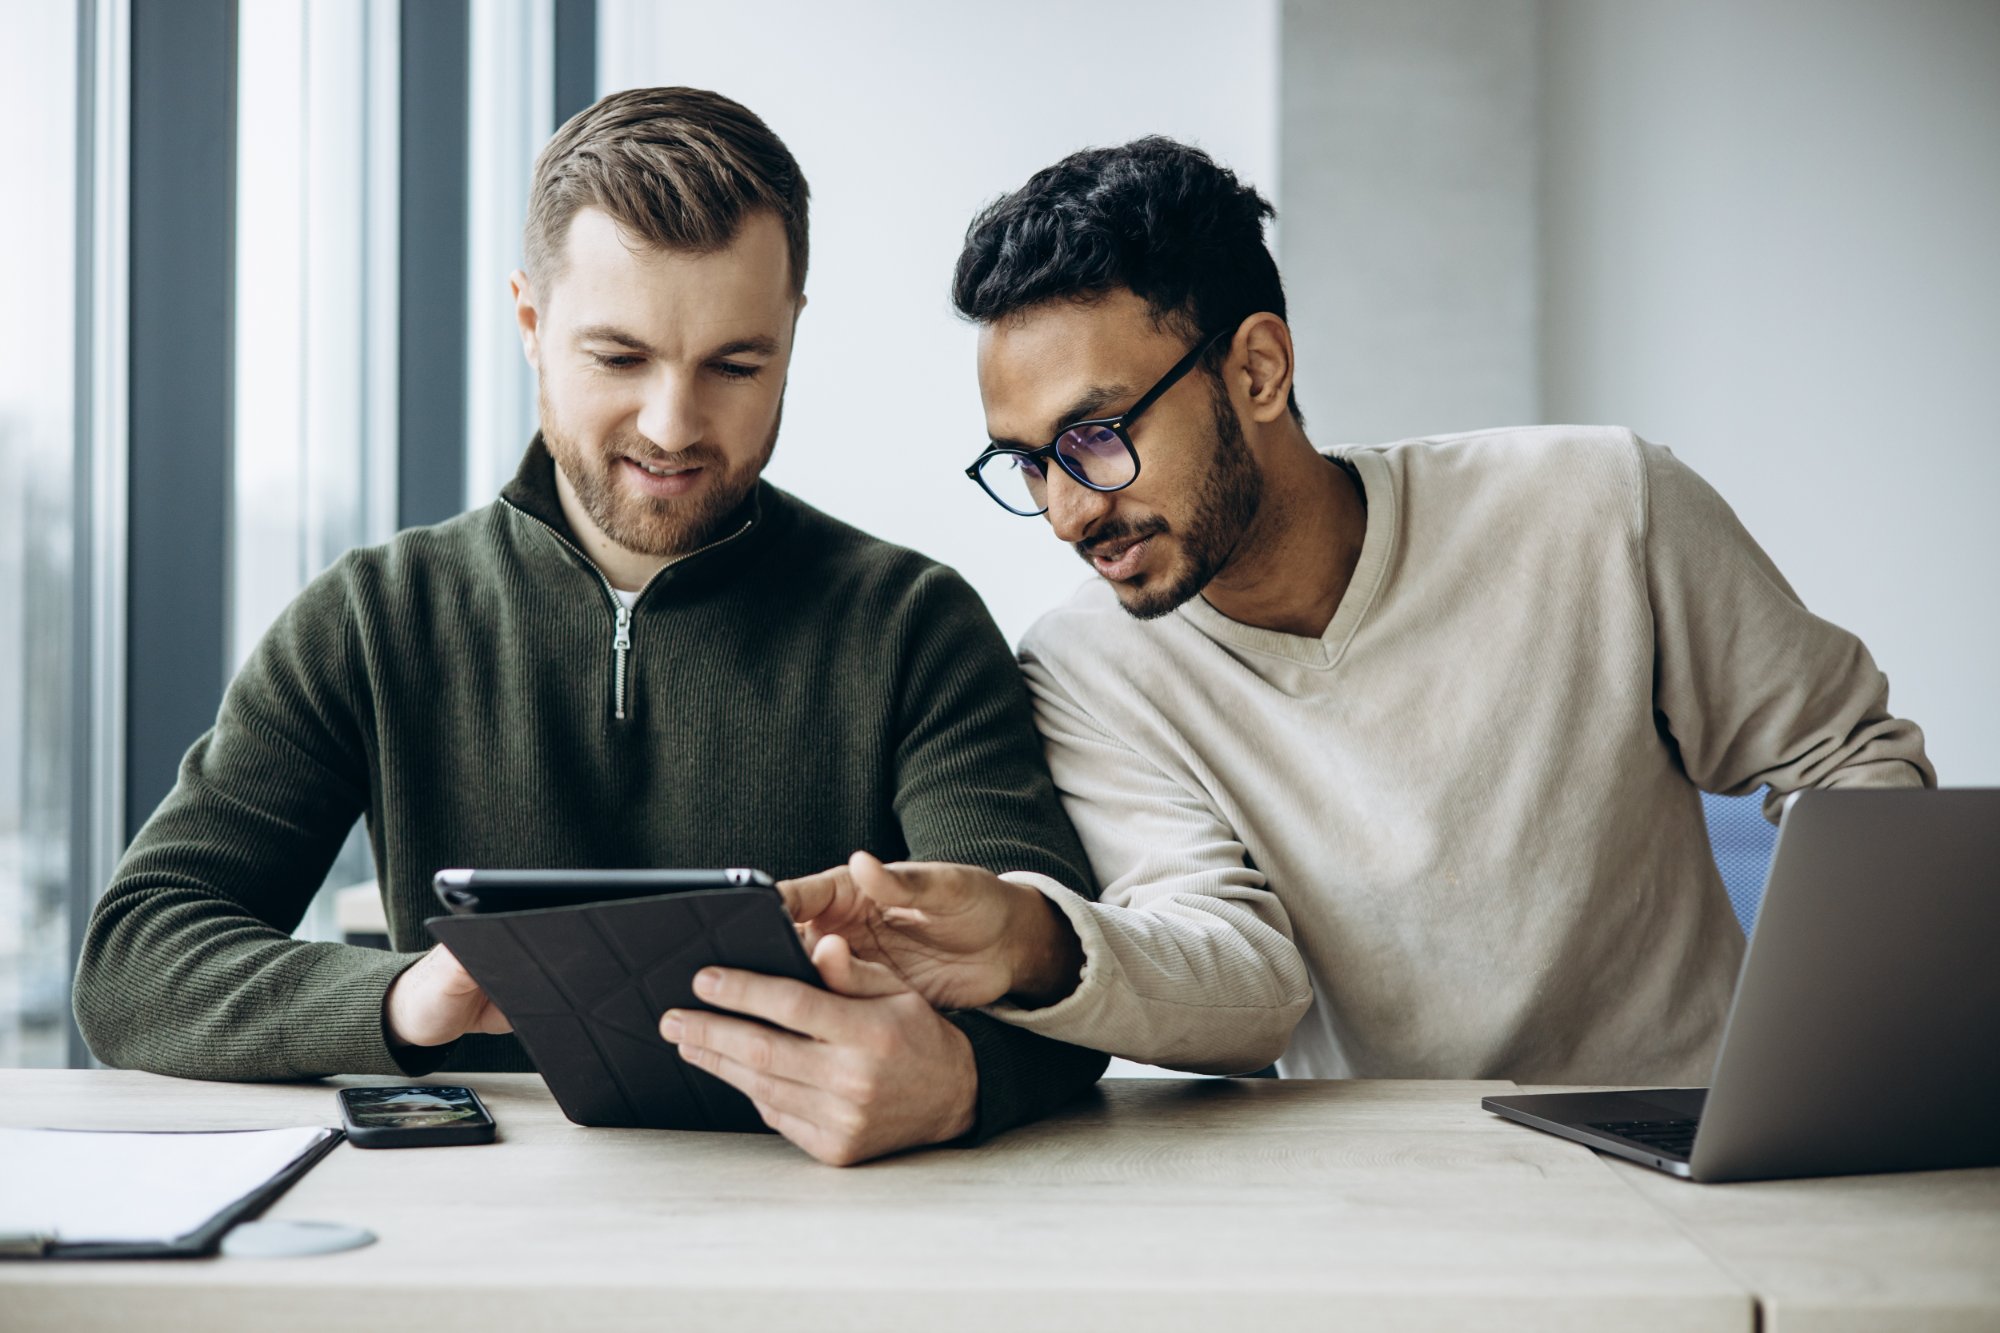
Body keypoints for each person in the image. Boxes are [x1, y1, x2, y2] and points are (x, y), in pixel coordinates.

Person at [73, 87, 1107, 1167]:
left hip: (823, 1232)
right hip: (484, 1231)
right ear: (530, 324)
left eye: (734, 365)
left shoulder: (913, 626)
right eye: (618, 358)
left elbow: (1063, 970)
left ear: (793, 335)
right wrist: (401, 997)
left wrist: (957, 1081)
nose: (671, 425)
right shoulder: (376, 619)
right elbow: (134, 960)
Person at [787, 136, 1934, 1085]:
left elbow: (1843, 758)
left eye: (1096, 437)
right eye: (1029, 462)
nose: (1065, 513)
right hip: (1375, 1192)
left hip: (1683, 1146)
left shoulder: (1600, 504)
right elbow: (1241, 981)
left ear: (1257, 370)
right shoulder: (1086, 666)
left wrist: (1832, 1064)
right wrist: (1035, 939)